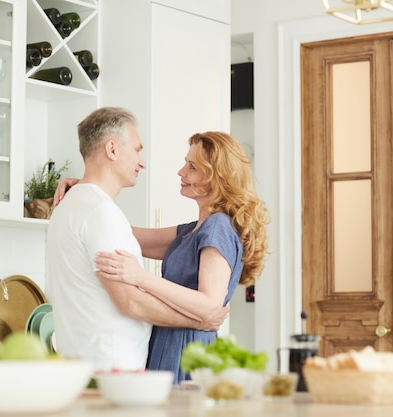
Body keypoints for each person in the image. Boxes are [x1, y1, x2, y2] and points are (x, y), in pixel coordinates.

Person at [56, 131, 270, 383]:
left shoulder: (218, 227)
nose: (181, 172)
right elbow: (124, 232)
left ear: (217, 177)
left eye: (192, 167)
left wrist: (141, 277)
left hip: (186, 349)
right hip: (169, 343)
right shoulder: (193, 230)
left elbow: (210, 304)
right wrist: (88, 190)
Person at [45, 107, 227, 376]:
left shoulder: (76, 206)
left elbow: (166, 239)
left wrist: (82, 185)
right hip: (113, 369)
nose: (142, 162)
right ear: (112, 149)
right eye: (137, 150)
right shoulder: (99, 212)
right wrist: (199, 321)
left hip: (88, 365)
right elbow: (130, 301)